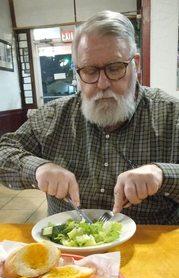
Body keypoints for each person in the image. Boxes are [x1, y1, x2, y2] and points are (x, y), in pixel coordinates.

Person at [0, 10, 178, 224]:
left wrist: (162, 174)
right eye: (90, 71)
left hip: (149, 249)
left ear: (136, 65)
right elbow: (4, 151)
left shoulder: (171, 114)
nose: (102, 84)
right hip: (67, 247)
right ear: (77, 72)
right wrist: (38, 169)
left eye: (115, 68)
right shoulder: (53, 116)